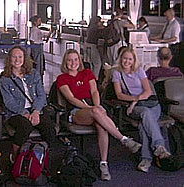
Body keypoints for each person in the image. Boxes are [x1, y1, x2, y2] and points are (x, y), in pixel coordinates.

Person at [56, 49, 141, 181]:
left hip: (94, 107)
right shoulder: (62, 78)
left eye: (75, 59)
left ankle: (103, 164)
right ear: (65, 63)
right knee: (97, 113)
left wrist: (96, 106)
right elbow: (71, 99)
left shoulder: (87, 73)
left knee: (101, 126)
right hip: (76, 111)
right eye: (69, 60)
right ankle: (123, 139)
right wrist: (92, 108)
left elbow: (94, 91)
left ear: (79, 61)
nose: (73, 63)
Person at [112, 47, 171, 173]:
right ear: (120, 59)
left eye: (130, 59)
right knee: (145, 113)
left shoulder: (139, 71)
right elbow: (119, 95)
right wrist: (134, 102)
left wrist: (135, 100)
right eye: (124, 58)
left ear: (133, 61)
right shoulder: (117, 73)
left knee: (143, 125)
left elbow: (148, 91)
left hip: (152, 105)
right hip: (137, 109)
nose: (127, 61)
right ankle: (159, 146)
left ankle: (146, 159)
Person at [0, 45, 57, 164]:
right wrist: (24, 113)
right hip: (15, 113)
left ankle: (43, 156)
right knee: (25, 126)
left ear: (25, 58)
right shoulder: (5, 79)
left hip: (35, 109)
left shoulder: (34, 74)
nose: (17, 60)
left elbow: (41, 95)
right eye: (14, 57)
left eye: (20, 57)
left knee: (49, 127)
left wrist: (35, 111)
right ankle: (15, 155)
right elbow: (9, 102)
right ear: (9, 59)